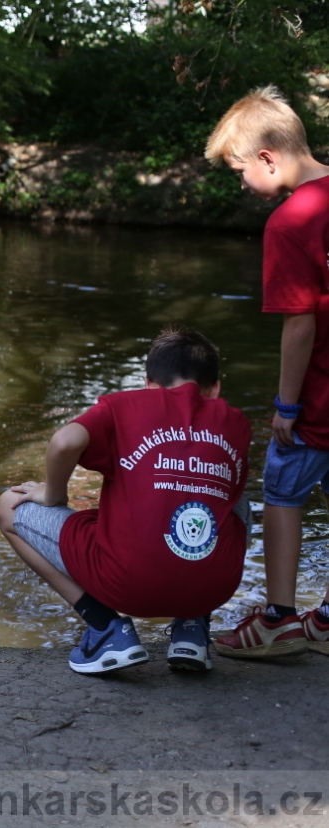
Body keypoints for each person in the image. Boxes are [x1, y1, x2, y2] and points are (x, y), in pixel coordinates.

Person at [0, 327, 251, 674]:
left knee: (8, 506)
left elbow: (64, 442)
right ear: (215, 389)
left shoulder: (124, 407)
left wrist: (52, 494)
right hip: (213, 588)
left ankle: (106, 628)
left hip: (126, 583)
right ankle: (192, 627)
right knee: (236, 500)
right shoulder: (235, 423)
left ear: (148, 384)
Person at [203, 86, 329, 658]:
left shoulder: (290, 221)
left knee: (282, 493)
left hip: (319, 399)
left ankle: (278, 619)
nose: (242, 184)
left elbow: (299, 326)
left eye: (238, 171)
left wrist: (286, 407)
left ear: (269, 158)